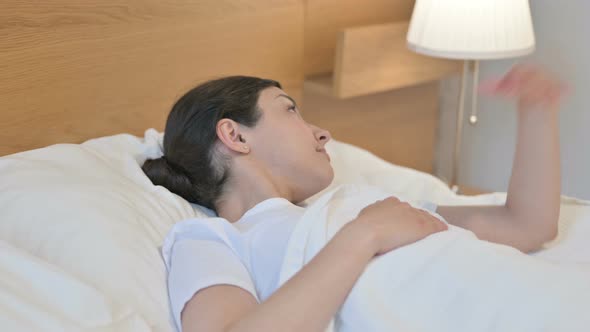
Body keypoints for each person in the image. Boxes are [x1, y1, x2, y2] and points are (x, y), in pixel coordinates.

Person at [143, 65, 566, 332]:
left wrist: (535, 113)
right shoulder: (209, 239)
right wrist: (364, 235)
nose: (323, 133)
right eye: (290, 110)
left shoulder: (363, 201)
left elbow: (526, 225)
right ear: (235, 135)